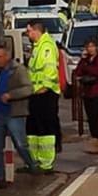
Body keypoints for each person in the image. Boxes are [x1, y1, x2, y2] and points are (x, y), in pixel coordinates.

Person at [0, 42, 36, 179]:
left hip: (14, 113)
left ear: (6, 56)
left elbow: (28, 89)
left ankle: (32, 166)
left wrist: (11, 95)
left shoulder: (18, 70)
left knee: (20, 144)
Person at [25, 19, 62, 173]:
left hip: (45, 94)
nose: (27, 34)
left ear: (35, 30)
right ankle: (34, 161)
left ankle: (46, 164)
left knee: (45, 130)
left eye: (28, 31)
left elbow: (50, 71)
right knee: (33, 129)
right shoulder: (38, 46)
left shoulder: (46, 46)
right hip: (35, 94)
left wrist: (43, 88)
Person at [74, 36, 98, 156]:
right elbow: (78, 72)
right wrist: (83, 61)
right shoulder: (85, 60)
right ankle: (94, 139)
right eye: (88, 47)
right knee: (90, 117)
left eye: (92, 46)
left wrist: (86, 68)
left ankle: (96, 140)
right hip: (87, 92)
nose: (90, 49)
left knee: (95, 115)